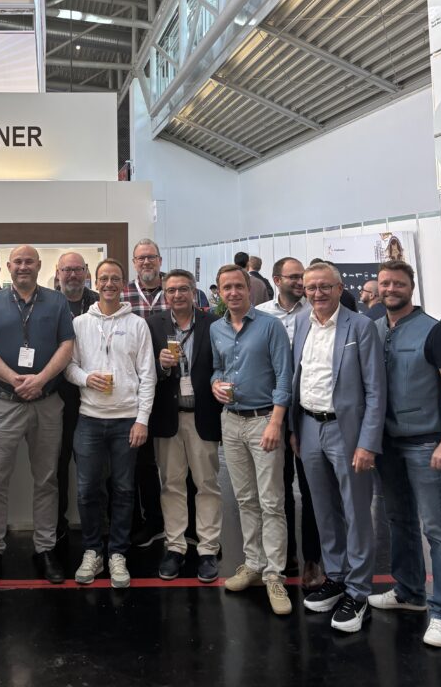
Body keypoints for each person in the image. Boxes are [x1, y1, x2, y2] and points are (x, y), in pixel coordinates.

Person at [292, 261, 386, 634]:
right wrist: (294, 429)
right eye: (311, 287)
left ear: (339, 287)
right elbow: (299, 376)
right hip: (308, 426)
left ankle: (359, 591)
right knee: (323, 508)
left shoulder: (360, 327)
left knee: (356, 511)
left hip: (346, 431)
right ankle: (336, 576)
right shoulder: (302, 323)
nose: (317, 293)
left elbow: (376, 390)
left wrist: (367, 442)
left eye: (324, 286)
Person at [0, 244, 74, 587]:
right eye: (17, 261)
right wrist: (15, 379)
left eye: (29, 261)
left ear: (39, 265)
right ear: (8, 266)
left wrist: (40, 379)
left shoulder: (57, 302)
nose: (23, 266)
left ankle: (45, 548)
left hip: (47, 402)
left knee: (47, 479)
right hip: (4, 402)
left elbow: (67, 345)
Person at [369, 260, 441, 648]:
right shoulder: (374, 329)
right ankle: (409, 591)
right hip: (386, 444)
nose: (390, 289)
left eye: (398, 283)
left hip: (425, 443)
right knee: (398, 519)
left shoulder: (434, 331)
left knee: (437, 529)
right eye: (385, 283)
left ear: (411, 287)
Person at [66, 258, 155, 589]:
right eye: (103, 278)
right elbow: (69, 367)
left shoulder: (137, 325)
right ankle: (93, 550)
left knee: (124, 489)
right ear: (95, 281)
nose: (108, 284)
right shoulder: (79, 324)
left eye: (115, 279)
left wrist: (142, 420)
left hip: (126, 420)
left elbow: (148, 375)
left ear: (123, 283)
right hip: (89, 420)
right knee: (88, 489)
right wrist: (86, 378)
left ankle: (117, 552)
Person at [211, 263, 292, 617]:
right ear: (219, 292)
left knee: (271, 500)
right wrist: (215, 384)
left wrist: (276, 422)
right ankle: (253, 563)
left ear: (249, 289)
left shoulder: (270, 326)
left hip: (264, 421)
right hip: (231, 421)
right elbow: (218, 367)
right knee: (244, 498)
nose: (232, 292)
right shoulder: (216, 328)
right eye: (225, 287)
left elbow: (284, 376)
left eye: (238, 286)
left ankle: (274, 574)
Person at [149, 270, 221, 582]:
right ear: (164, 295)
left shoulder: (212, 324)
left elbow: (221, 365)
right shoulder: (153, 325)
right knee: (171, 484)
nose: (177, 295)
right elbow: (142, 369)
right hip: (167, 416)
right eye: (171, 290)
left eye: (183, 289)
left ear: (194, 292)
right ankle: (175, 546)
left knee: (207, 484)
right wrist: (160, 365)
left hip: (202, 415)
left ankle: (208, 549)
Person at [257, 257, 323, 588]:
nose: (300, 282)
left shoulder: (316, 312)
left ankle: (313, 557)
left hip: (308, 409)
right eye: (294, 277)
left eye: (303, 277)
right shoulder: (261, 314)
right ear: (276, 279)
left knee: (311, 487)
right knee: (277, 486)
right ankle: (285, 554)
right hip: (272, 410)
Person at [121, 238, 168, 548]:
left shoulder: (178, 290)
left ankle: (187, 525)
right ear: (134, 262)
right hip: (136, 392)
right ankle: (152, 521)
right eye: (141, 258)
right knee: (143, 462)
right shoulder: (122, 295)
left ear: (159, 260)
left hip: (173, 390)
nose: (146, 262)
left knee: (180, 464)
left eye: (151, 257)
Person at [55, 250, 99, 541]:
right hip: (57, 396)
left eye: (77, 269)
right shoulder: (48, 302)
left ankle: (97, 526)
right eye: (66, 270)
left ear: (86, 272)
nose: (72, 275)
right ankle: (58, 524)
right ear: (58, 273)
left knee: (95, 466)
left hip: (94, 394)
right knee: (58, 465)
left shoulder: (98, 301)